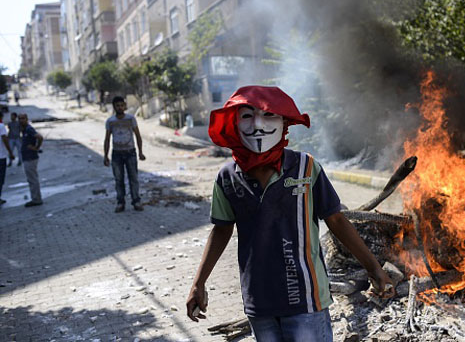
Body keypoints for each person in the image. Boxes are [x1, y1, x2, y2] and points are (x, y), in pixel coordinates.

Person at [186, 86, 394, 341]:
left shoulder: (306, 168)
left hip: (305, 299)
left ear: (284, 122)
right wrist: (199, 283)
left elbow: (337, 220)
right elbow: (221, 229)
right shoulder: (227, 177)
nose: (258, 125)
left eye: (268, 115)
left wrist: (374, 268)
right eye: (248, 116)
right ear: (235, 122)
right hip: (258, 301)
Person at [103, 96, 145, 213]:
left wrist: (140, 152)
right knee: (119, 179)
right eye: (117, 105)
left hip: (130, 152)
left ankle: (136, 201)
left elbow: (138, 135)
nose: (120, 107)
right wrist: (106, 155)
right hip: (116, 154)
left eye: (122, 105)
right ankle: (120, 202)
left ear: (125, 106)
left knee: (133, 178)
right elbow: (107, 139)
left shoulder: (131, 119)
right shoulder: (110, 121)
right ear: (114, 107)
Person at [19, 113, 43, 207]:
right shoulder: (24, 129)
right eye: (20, 119)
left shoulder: (29, 129)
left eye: (23, 118)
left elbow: (40, 137)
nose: (21, 120)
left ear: (27, 119)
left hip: (31, 158)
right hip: (27, 157)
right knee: (32, 179)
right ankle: (36, 198)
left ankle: (36, 199)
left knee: (32, 179)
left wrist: (36, 147)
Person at [0, 112, 15, 204]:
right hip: (1, 156)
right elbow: (5, 139)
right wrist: (10, 152)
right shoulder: (1, 126)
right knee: (0, 178)